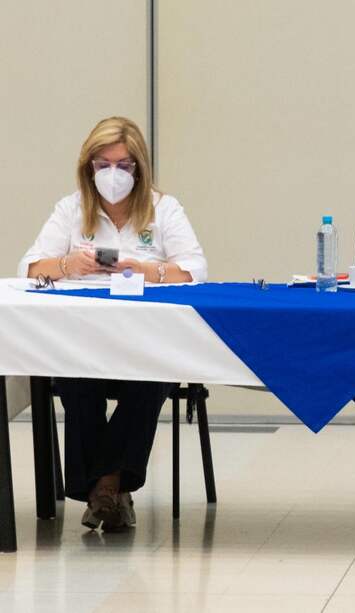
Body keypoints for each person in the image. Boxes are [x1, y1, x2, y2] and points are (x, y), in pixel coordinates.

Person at [18, 116, 207, 531]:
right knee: (74, 380)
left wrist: (147, 269)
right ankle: (113, 488)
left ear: (139, 168)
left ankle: (104, 486)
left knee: (154, 376)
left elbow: (195, 270)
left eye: (123, 165)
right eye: (103, 165)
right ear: (88, 168)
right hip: (83, 341)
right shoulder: (70, 209)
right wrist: (69, 264)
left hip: (148, 343)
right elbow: (30, 268)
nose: (113, 175)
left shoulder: (163, 209)